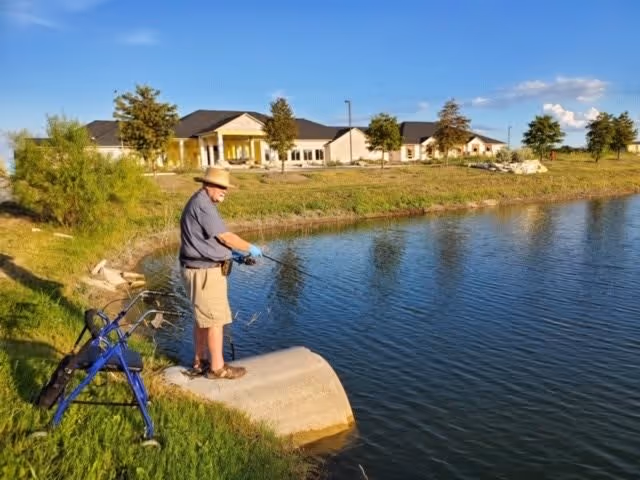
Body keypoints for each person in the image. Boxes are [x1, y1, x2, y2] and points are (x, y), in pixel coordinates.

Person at [179, 167, 263, 379]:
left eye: (226, 187)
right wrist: (249, 247)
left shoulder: (200, 201)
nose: (224, 191)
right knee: (215, 320)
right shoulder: (203, 205)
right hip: (205, 273)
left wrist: (233, 255)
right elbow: (225, 236)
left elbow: (210, 241)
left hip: (199, 269)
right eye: (221, 187)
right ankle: (217, 368)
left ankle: (199, 362)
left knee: (202, 319)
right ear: (208, 185)